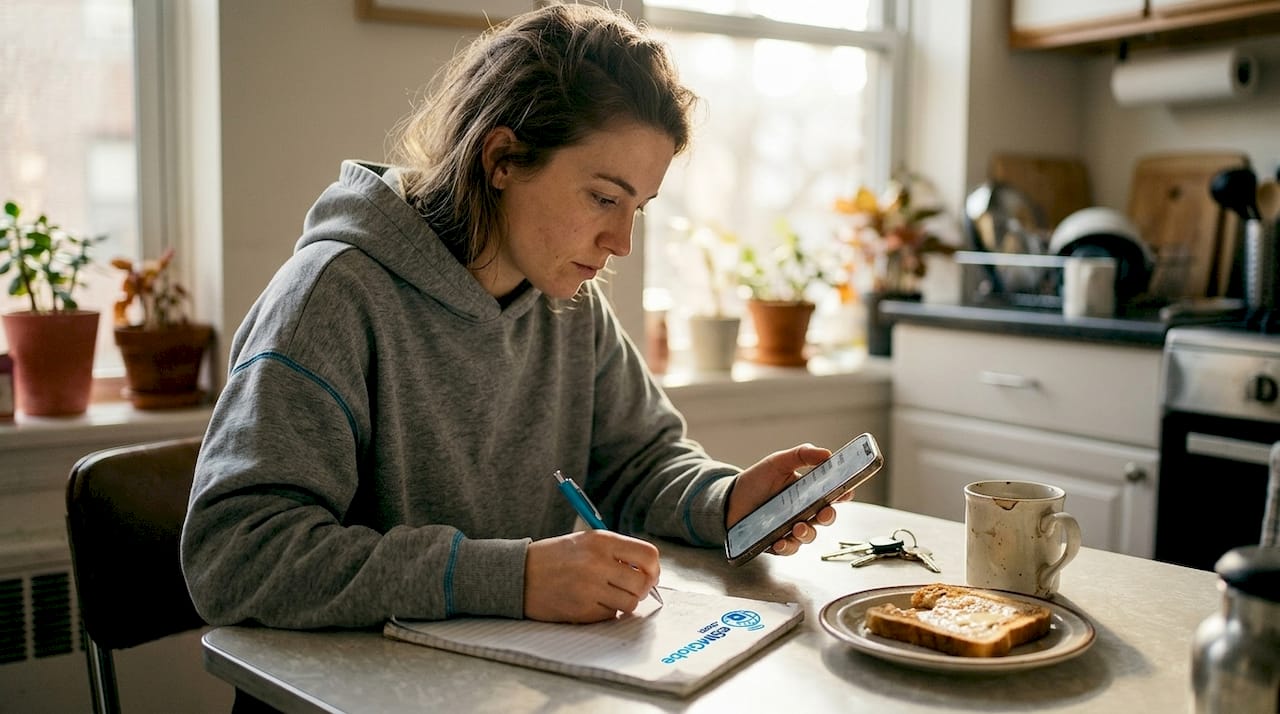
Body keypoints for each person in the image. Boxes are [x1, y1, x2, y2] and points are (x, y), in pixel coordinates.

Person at [181, 3, 849, 629]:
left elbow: (638, 464)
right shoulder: (332, 297)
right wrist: (511, 577)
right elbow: (235, 555)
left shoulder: (569, 305)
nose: (621, 243)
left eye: (637, 207)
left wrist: (725, 501)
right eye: (601, 198)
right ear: (501, 159)